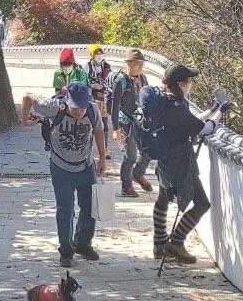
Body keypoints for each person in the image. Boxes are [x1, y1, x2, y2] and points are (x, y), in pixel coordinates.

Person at [29, 82, 108, 267]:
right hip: (61, 168)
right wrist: (25, 118)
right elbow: (28, 96)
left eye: (82, 107)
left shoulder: (93, 110)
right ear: (66, 102)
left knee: (89, 207)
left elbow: (99, 131)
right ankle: (66, 251)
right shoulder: (54, 107)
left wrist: (102, 159)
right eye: (75, 107)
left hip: (85, 166)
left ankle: (83, 244)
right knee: (65, 210)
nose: (79, 111)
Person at [150, 64, 216, 264]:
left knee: (163, 197)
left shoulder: (164, 102)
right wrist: (220, 113)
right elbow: (204, 129)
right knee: (202, 203)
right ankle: (176, 242)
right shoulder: (177, 107)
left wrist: (212, 110)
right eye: (188, 81)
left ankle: (159, 243)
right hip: (180, 164)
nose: (190, 84)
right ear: (180, 83)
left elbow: (192, 121)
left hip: (165, 160)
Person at [109, 48, 152, 197]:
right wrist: (115, 129)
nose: (140, 67)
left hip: (141, 121)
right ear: (128, 64)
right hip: (126, 122)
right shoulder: (121, 81)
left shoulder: (143, 79)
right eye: (136, 64)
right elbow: (114, 106)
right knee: (131, 155)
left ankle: (138, 173)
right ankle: (126, 186)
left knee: (148, 151)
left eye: (141, 64)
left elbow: (148, 99)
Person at [84, 45, 113, 149]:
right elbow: (85, 81)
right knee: (92, 123)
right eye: (96, 53)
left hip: (103, 98)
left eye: (100, 53)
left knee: (104, 124)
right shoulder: (87, 66)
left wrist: (104, 86)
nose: (99, 55)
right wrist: (93, 85)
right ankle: (90, 147)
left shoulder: (107, 66)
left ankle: (105, 149)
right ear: (92, 55)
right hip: (92, 98)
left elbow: (110, 80)